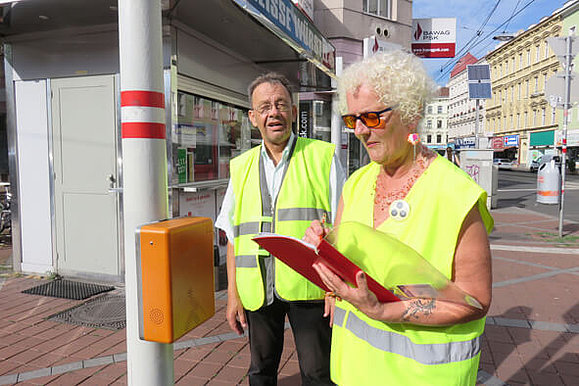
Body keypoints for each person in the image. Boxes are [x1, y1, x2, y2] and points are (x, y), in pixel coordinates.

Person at [304, 50, 494, 385]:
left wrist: (384, 311)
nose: (360, 130)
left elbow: (475, 300)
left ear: (411, 112)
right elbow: (349, 262)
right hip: (352, 371)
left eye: (373, 117)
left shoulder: (456, 194)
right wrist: (324, 246)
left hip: (423, 377)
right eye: (352, 119)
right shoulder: (356, 183)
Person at [215, 72, 345, 386]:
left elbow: (343, 226)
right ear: (253, 117)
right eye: (265, 107)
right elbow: (233, 235)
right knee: (260, 372)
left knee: (318, 374)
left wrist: (336, 287)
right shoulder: (241, 166)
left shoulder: (321, 157)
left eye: (281, 104)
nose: (274, 112)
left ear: (293, 111)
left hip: (311, 289)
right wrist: (233, 296)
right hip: (258, 290)